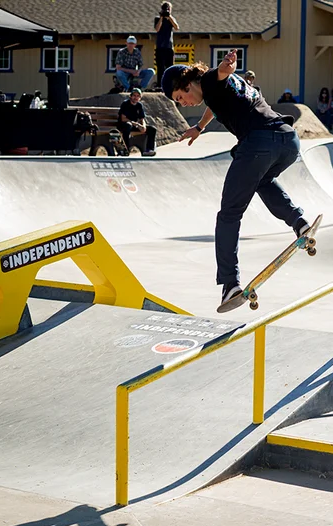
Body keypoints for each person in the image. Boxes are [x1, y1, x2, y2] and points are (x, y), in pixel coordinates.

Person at [161, 51, 311, 309]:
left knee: (229, 214)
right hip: (288, 141)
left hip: (259, 145)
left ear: (186, 85)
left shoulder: (209, 81)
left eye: (180, 97)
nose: (183, 104)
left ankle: (230, 284)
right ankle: (299, 222)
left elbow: (215, 76)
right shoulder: (218, 90)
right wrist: (199, 127)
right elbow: (214, 101)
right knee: (262, 181)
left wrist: (225, 67)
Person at [117, 88, 157, 156]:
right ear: (131, 96)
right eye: (134, 95)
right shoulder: (125, 104)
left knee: (152, 129)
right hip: (123, 125)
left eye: (137, 96)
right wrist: (135, 124)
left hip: (134, 125)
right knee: (128, 125)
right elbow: (123, 118)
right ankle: (125, 149)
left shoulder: (139, 105)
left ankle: (149, 149)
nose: (135, 97)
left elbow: (142, 119)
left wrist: (143, 126)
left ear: (140, 97)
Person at [154, 1, 179, 89]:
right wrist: (161, 17)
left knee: (170, 66)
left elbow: (176, 27)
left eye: (169, 9)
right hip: (160, 47)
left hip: (169, 47)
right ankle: (160, 85)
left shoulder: (171, 19)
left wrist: (169, 17)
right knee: (160, 67)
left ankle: (170, 84)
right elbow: (157, 29)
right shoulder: (157, 18)